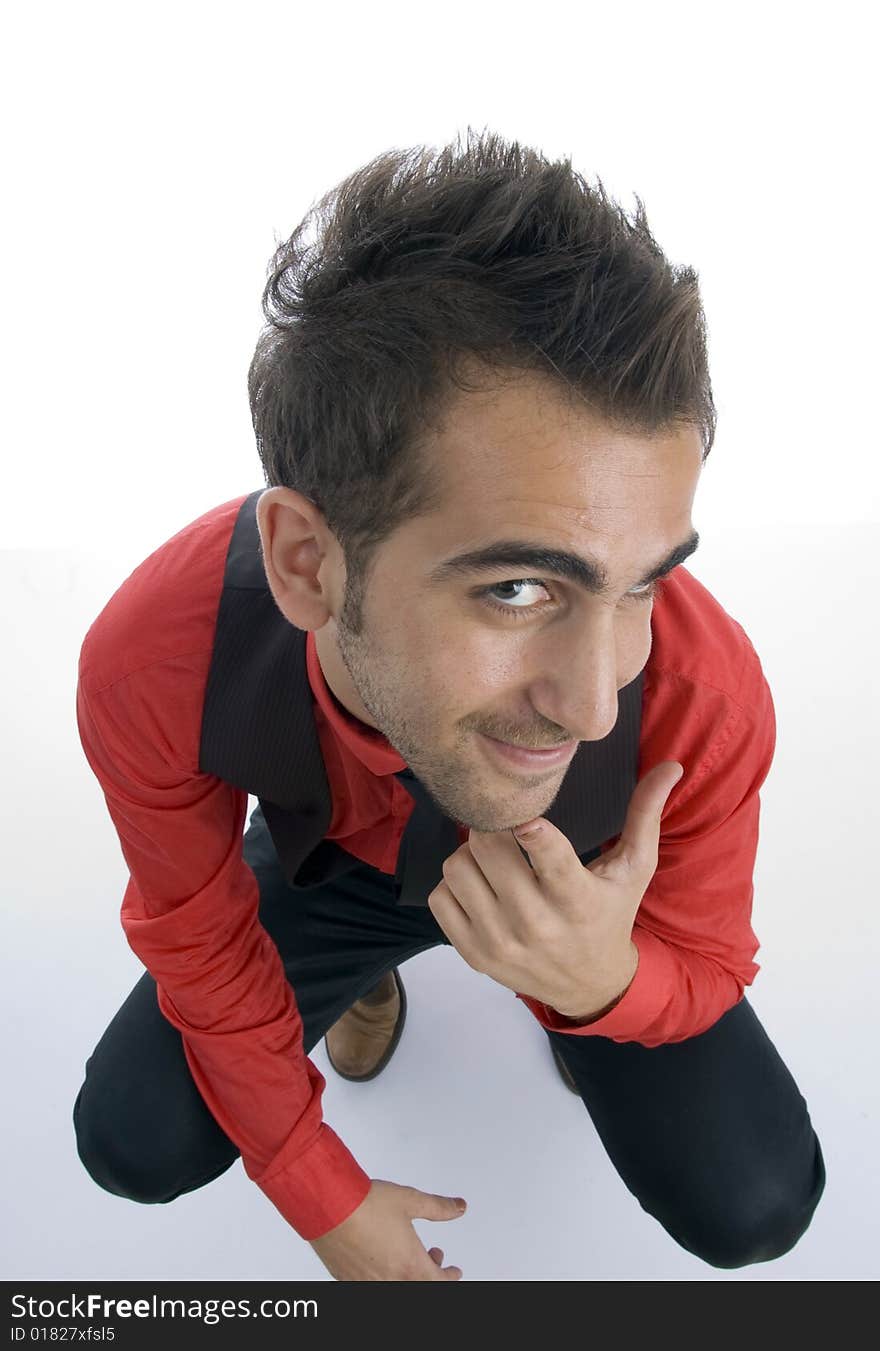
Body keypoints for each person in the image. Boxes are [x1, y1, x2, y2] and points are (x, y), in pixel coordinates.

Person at [72, 129, 826, 1281]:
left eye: (642, 580)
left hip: (583, 909)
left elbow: (708, 958)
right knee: (131, 1137)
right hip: (338, 870)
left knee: (757, 1201)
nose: (591, 703)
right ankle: (369, 973)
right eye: (516, 588)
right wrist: (321, 1195)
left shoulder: (701, 690)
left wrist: (603, 981)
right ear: (308, 565)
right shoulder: (152, 660)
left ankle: (562, 1004)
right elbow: (195, 934)